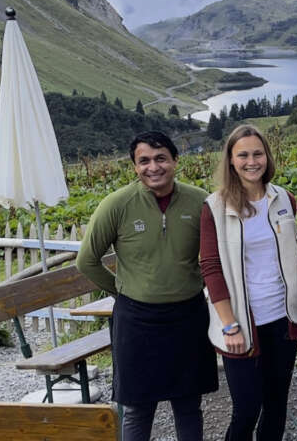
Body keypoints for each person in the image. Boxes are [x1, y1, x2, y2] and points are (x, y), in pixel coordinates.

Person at [77, 131, 216, 441]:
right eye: (144, 161)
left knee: (188, 403)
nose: (153, 167)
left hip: (188, 315)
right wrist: (123, 289)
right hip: (136, 320)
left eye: (161, 158)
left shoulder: (200, 200)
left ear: (175, 161)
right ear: (135, 167)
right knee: (139, 407)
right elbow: (86, 260)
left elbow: (216, 254)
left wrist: (201, 280)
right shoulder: (117, 204)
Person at [200, 124, 297, 441]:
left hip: (282, 318)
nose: (252, 161)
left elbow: (294, 259)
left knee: (276, 405)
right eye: (244, 155)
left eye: (258, 153)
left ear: (267, 157)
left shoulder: (283, 199)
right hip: (241, 324)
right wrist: (228, 325)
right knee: (247, 408)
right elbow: (210, 268)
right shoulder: (215, 208)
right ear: (231, 161)